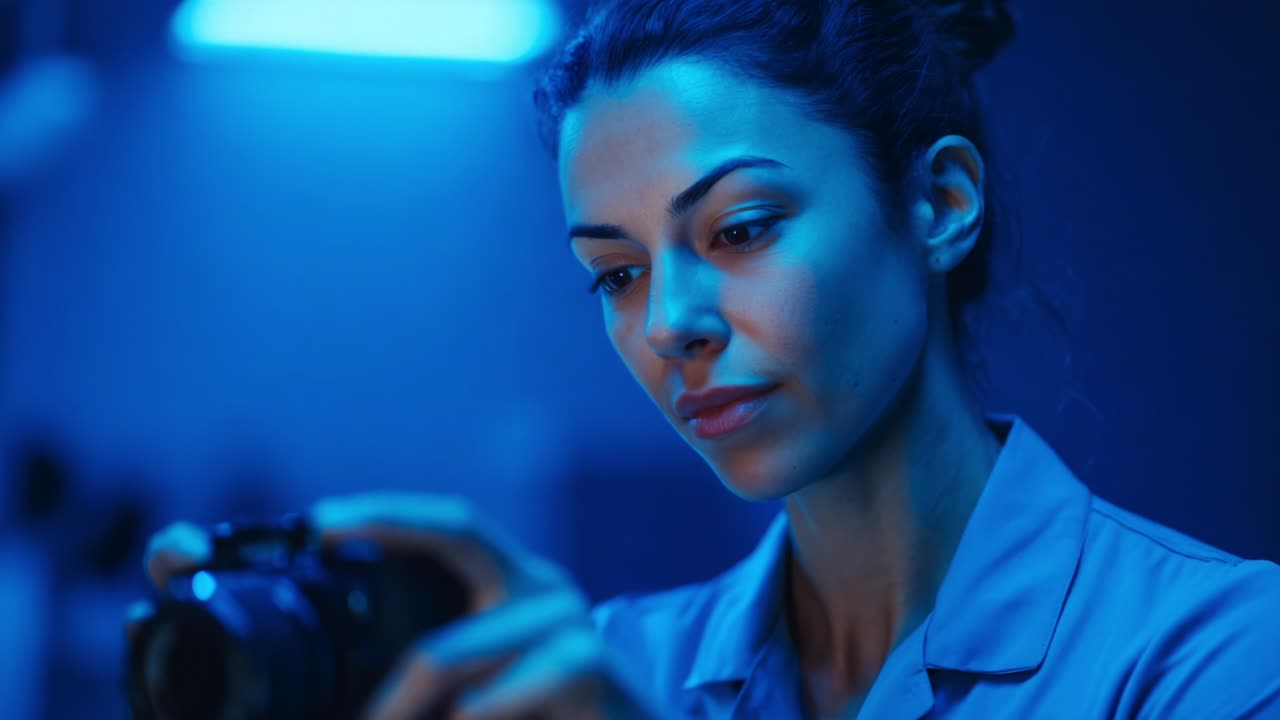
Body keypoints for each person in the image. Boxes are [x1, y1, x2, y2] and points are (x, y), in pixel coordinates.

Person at [131, 0, 1280, 718]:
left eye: (736, 230)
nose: (668, 323)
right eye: (616, 272)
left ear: (936, 202)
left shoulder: (1213, 660)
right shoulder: (620, 662)